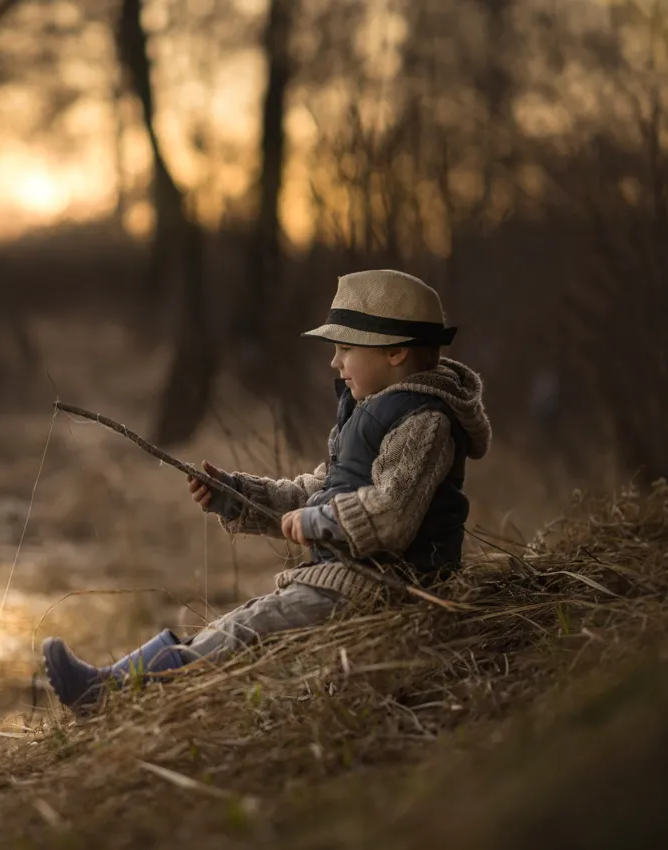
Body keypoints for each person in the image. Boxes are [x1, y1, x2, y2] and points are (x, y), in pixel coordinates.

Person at [42, 269, 492, 712]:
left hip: (386, 589)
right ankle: (109, 690)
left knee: (247, 630)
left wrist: (320, 522)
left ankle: (113, 697)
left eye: (345, 348)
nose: (334, 362)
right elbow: (315, 492)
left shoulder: (424, 424)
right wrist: (236, 495)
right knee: (232, 624)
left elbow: (392, 514)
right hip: (343, 582)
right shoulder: (369, 414)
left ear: (394, 352)